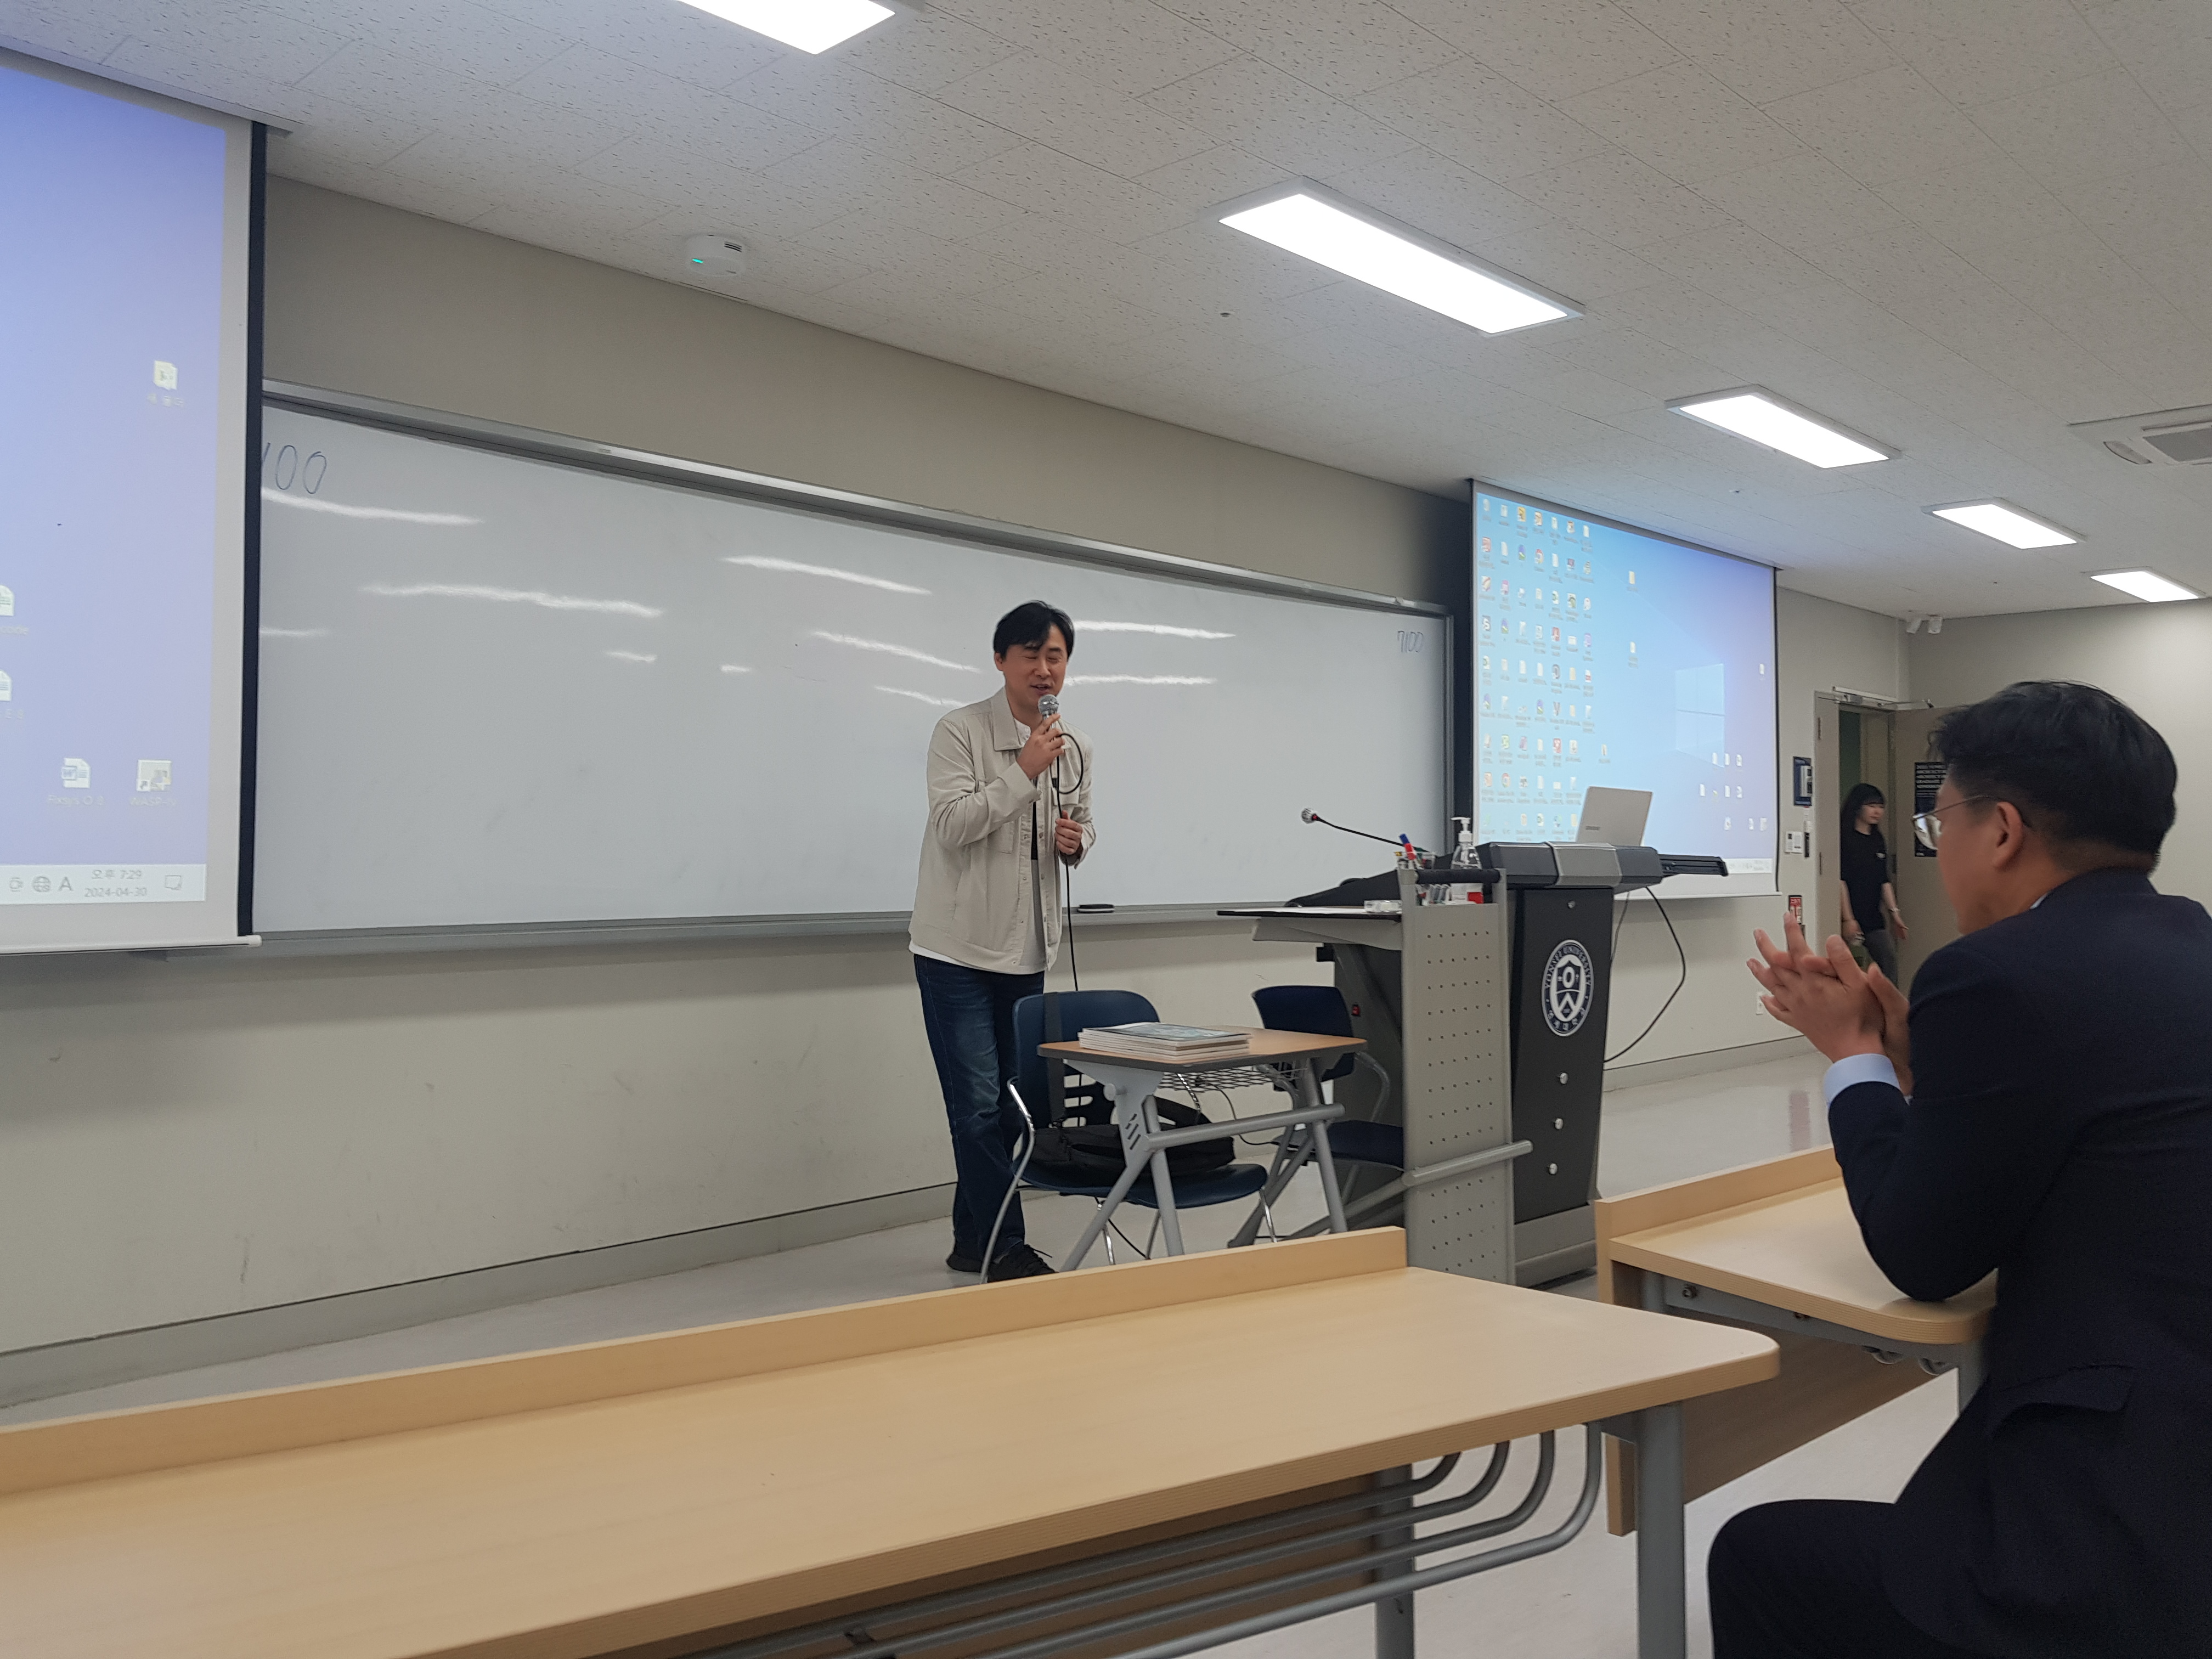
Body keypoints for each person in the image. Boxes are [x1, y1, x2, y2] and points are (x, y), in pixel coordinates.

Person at [1718, 681, 2212, 1657]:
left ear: (2002, 831)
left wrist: (1853, 1055)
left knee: (1755, 1554)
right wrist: (1923, 1068)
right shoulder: (2189, 938)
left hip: (2121, 1523)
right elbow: (2087, 1118)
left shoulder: (1993, 973)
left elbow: (1922, 1252)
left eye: (1938, 821)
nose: (1935, 845)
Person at [909, 601, 1094, 1283]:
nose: (1044, 670)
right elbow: (953, 824)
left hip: (1028, 948)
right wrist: (1023, 771)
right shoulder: (958, 731)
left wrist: (1076, 843)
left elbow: (1082, 823)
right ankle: (1005, 1251)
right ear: (1001, 660)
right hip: (956, 950)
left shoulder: (1074, 746)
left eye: (1056, 656)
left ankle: (971, 1242)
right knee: (978, 1109)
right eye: (1030, 655)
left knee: (1013, 1111)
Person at [1836, 781, 1907, 983]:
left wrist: (1895, 915)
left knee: (1888, 960)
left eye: (1881, 807)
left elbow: (1884, 880)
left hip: (1873, 917)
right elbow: (1841, 880)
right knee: (1841, 965)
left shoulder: (1877, 840)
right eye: (1871, 806)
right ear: (1858, 806)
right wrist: (1849, 919)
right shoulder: (1844, 838)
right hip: (1847, 914)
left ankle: (1888, 1001)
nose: (1877, 812)